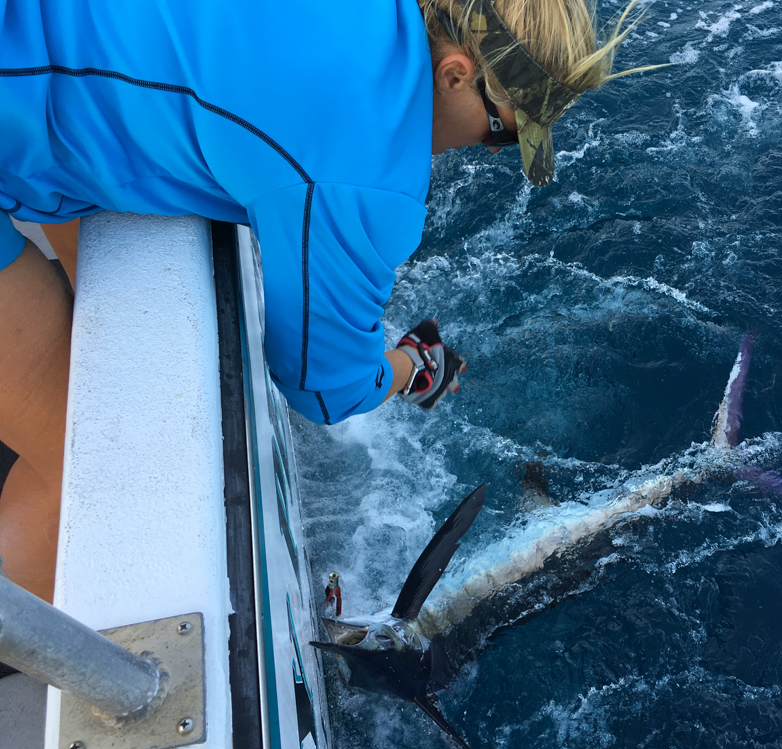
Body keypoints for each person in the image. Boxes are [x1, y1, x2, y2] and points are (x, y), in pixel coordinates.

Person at [0, 0, 650, 602]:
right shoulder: (365, 175)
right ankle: (32, 659)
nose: (485, 153)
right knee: (97, 467)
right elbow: (326, 388)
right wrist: (415, 367)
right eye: (499, 133)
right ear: (455, 73)